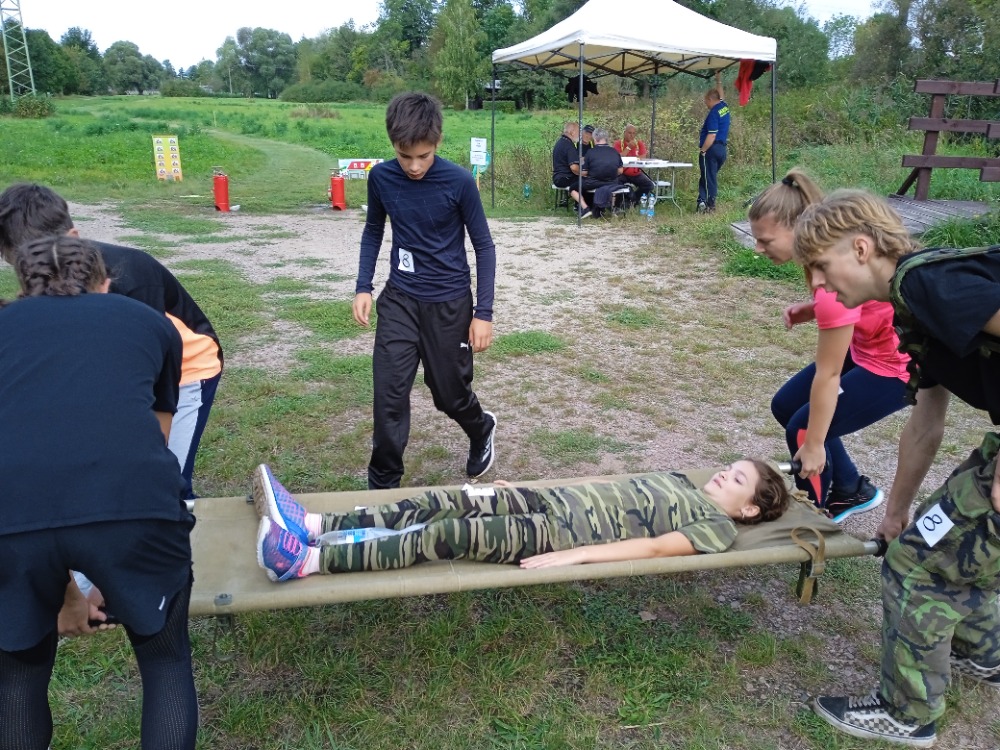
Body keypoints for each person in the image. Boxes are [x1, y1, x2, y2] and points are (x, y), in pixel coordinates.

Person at [793, 189, 1000, 747]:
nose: (818, 285)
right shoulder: (912, 313)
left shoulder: (925, 281)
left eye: (821, 266)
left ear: (861, 249)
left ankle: (906, 714)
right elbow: (927, 422)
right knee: (949, 539)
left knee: (914, 564)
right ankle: (985, 655)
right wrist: (897, 511)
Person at [0, 235, 198, 749]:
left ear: (24, 286)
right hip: (134, 506)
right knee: (165, 662)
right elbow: (156, 438)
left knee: (17, 679)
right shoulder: (150, 323)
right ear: (106, 283)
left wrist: (66, 596)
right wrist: (117, 570)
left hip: (11, 515)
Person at [0, 183, 223, 501]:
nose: (37, 274)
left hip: (185, 370)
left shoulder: (131, 276)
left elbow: (154, 361)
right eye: (21, 266)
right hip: (120, 369)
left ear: (73, 237)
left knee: (167, 479)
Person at [253, 459, 791, 580]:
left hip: (554, 534)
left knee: (445, 534)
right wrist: (528, 491)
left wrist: (578, 556)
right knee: (439, 501)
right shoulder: (681, 481)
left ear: (749, 509)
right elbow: (607, 488)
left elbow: (653, 549)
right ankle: (316, 524)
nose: (724, 474)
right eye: (730, 467)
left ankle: (304, 562)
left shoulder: (717, 528)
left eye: (737, 479)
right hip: (544, 503)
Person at [353, 92, 498, 490]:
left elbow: (484, 246)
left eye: (424, 156)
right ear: (393, 144)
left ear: (438, 142)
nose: (414, 166)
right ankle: (383, 486)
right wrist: (363, 286)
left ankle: (481, 427)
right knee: (388, 396)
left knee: (448, 395)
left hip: (449, 304)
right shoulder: (381, 178)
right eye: (405, 156)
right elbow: (373, 230)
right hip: (399, 300)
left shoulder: (459, 182)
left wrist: (483, 313)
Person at [748, 170, 910, 521]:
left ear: (798, 229)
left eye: (765, 240)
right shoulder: (828, 272)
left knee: (804, 429)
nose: (757, 248)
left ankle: (813, 519)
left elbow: (829, 374)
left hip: (894, 369)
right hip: (867, 351)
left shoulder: (831, 289)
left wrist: (815, 444)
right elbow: (865, 304)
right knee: (786, 405)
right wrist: (811, 309)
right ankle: (850, 488)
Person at [697, 72, 729, 214]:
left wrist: (703, 150)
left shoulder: (713, 113)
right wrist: (718, 80)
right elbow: (721, 96)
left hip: (711, 149)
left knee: (709, 178)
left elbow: (712, 135)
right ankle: (701, 201)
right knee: (708, 176)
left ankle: (710, 206)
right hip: (721, 150)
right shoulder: (724, 107)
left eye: (706, 101)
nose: (706, 104)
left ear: (710, 99)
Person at [580, 127, 625, 219]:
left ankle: (586, 208)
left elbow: (585, 172)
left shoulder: (590, 152)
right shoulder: (614, 152)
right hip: (611, 183)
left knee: (575, 186)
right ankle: (610, 208)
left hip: (593, 183)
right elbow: (620, 171)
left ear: (595, 139)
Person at [552, 121, 592, 219]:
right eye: (578, 132)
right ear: (572, 132)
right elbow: (574, 168)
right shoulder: (569, 146)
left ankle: (583, 207)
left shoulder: (561, 142)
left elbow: (569, 160)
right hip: (565, 178)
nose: (579, 135)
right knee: (588, 181)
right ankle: (585, 207)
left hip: (558, 177)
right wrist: (583, 173)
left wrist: (585, 159)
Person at [614, 123, 656, 201]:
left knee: (649, 185)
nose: (632, 135)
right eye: (629, 133)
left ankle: (634, 200)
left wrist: (629, 158)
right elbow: (618, 157)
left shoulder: (639, 144)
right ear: (625, 133)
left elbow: (643, 157)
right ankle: (619, 203)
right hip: (622, 172)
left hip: (635, 173)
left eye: (634, 133)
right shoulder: (618, 143)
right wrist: (628, 148)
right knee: (615, 183)